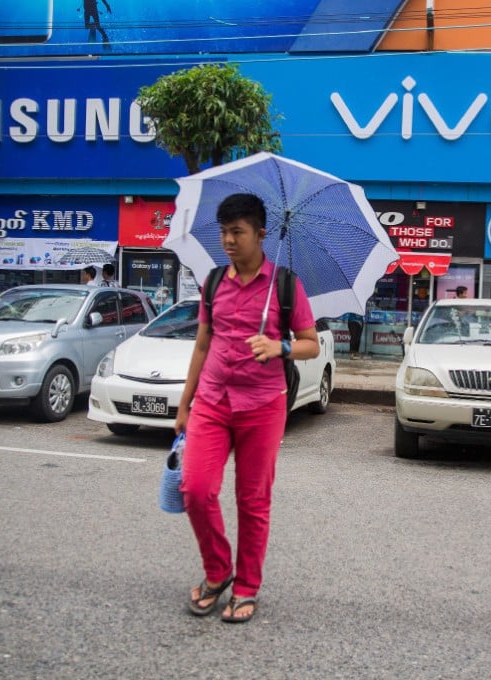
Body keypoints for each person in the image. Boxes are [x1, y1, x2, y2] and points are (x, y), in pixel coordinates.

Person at [175, 193, 319, 624]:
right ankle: (218, 572)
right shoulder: (214, 282)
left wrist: (280, 346)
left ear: (260, 234)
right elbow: (202, 344)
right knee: (196, 490)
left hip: (262, 405)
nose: (228, 241)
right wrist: (185, 404)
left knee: (252, 499)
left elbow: (311, 344)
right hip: (213, 402)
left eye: (237, 232)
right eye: (223, 232)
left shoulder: (287, 285)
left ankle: (247, 585)